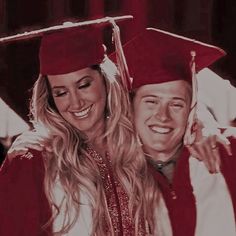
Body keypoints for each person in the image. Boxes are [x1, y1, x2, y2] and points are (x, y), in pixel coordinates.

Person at [0, 21, 151, 235]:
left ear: (106, 81)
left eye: (83, 85)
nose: (76, 103)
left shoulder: (141, 143)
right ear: (50, 98)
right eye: (61, 93)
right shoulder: (35, 160)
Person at [122, 28, 236, 236]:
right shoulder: (110, 171)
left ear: (193, 109)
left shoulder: (229, 152)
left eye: (176, 104)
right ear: (130, 107)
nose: (162, 116)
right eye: (151, 101)